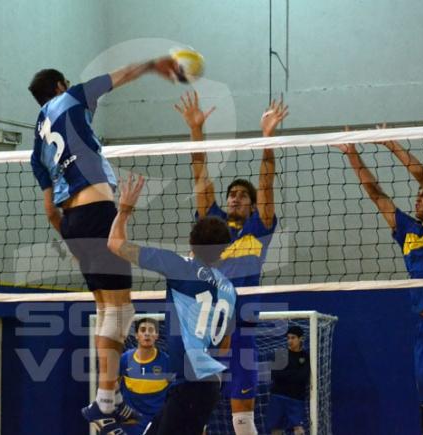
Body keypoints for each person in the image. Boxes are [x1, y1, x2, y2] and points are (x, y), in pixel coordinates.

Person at [28, 57, 180, 432]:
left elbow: (49, 210)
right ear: (60, 86)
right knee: (121, 311)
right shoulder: (72, 98)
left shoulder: (38, 140)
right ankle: (106, 399)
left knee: (106, 309)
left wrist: (73, 240)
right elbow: (121, 74)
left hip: (72, 223)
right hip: (96, 212)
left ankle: (108, 399)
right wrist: (152, 65)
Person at [175, 91, 289, 435]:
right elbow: (200, 175)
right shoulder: (213, 227)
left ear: (252, 205)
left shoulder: (260, 228)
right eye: (232, 194)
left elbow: (266, 182)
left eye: (242, 195)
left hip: (242, 330)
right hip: (206, 330)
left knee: (242, 419)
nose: (235, 198)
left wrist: (267, 139)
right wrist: (196, 131)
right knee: (194, 412)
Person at [336, 132, 423, 435]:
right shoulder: (407, 232)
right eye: (418, 195)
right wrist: (352, 154)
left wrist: (393, 145)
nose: (419, 197)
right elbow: (376, 194)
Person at [107, 174, 237, 435]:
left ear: (191, 242)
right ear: (223, 251)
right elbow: (225, 344)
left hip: (189, 385)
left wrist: (124, 210)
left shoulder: (179, 266)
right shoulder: (229, 290)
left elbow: (115, 244)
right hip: (207, 384)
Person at [119, 318, 171, 435]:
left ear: (156, 335)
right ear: (136, 335)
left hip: (157, 425)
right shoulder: (124, 360)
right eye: (143, 330)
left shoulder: (167, 362)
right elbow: (112, 389)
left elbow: (175, 394)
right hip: (131, 426)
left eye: (151, 330)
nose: (147, 334)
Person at [265, 326, 310, 435]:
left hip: (296, 399)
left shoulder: (306, 356)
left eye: (293, 338)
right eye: (288, 338)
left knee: (299, 430)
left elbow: (303, 377)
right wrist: (295, 373)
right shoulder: (281, 354)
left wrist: (286, 373)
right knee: (276, 430)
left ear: (301, 339)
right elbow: (275, 375)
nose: (290, 341)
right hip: (278, 397)